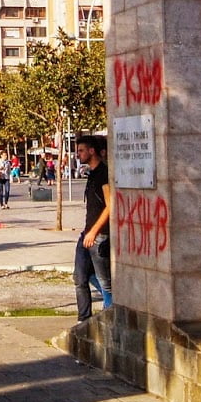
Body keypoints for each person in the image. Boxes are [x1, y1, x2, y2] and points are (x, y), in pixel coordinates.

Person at [74, 134, 112, 321]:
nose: (78, 154)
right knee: (80, 277)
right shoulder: (91, 174)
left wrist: (94, 231)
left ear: (92, 151)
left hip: (99, 235)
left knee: (105, 281)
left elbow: (110, 205)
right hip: (86, 234)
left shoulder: (103, 174)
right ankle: (84, 319)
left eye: (81, 150)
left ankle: (111, 309)